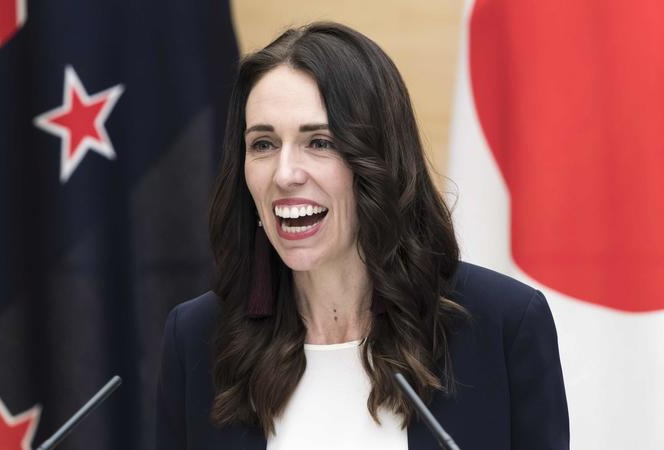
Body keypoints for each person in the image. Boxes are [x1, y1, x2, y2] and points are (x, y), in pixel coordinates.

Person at [156, 22, 569, 450]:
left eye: (318, 142)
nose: (284, 174)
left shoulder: (502, 325)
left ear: (378, 162)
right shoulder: (196, 338)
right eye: (263, 144)